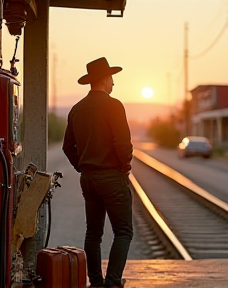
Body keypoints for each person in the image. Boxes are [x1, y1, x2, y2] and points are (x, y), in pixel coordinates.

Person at [62, 57, 133, 288]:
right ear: (104, 79)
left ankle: (96, 282)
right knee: (123, 231)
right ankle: (112, 282)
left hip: (89, 179)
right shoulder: (114, 105)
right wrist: (125, 168)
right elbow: (122, 143)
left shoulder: (76, 109)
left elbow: (67, 147)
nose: (113, 83)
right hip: (112, 176)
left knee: (93, 233)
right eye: (111, 78)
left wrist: (82, 166)